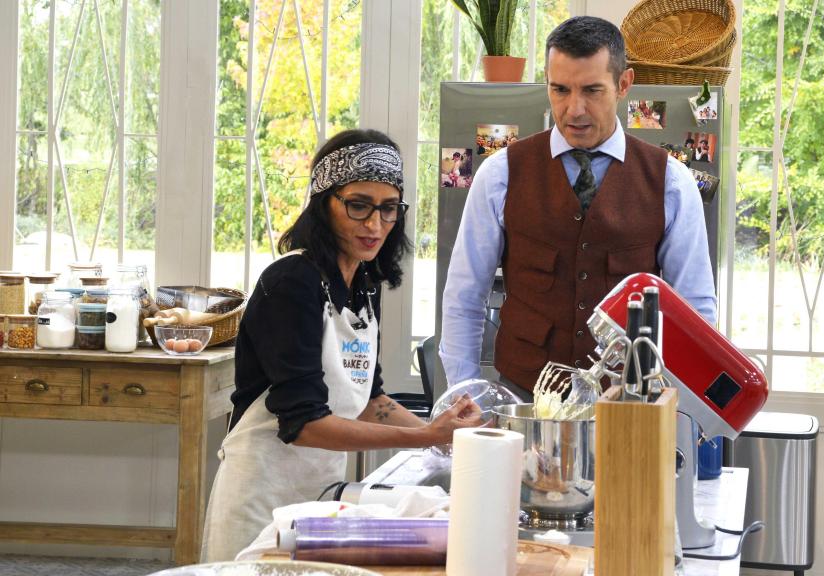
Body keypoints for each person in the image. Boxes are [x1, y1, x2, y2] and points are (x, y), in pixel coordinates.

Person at [202, 129, 483, 561]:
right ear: (324, 203)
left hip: (317, 496)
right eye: (358, 205)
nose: (374, 224)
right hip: (260, 496)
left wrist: (447, 437)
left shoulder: (362, 285)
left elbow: (368, 400)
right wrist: (425, 435)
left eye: (388, 208)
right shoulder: (291, 282)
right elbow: (303, 424)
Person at [440, 16, 717, 400]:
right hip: (524, 398)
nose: (574, 110)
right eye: (560, 89)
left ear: (624, 84)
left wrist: (683, 411)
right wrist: (464, 396)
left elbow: (695, 309)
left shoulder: (671, 181)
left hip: (628, 402)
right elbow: (465, 297)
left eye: (592, 90)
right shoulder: (500, 173)